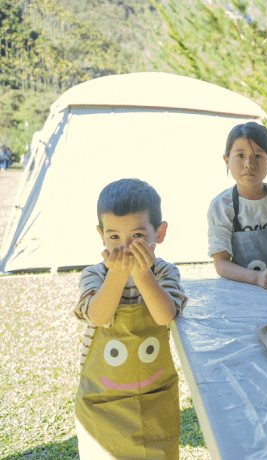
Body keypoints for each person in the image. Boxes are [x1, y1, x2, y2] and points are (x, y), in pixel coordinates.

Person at [73, 178, 188, 459]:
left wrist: (142, 274)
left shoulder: (164, 273)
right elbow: (98, 317)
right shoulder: (94, 274)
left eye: (137, 237)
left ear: (159, 234)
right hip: (102, 403)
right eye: (114, 237)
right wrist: (117, 275)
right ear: (101, 235)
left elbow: (164, 315)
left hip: (154, 400)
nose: (124, 248)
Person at [208, 122, 267, 290]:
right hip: (243, 290)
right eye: (240, 155)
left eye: (258, 156)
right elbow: (221, 263)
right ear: (226, 160)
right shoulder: (221, 206)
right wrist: (257, 278)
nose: (249, 164)